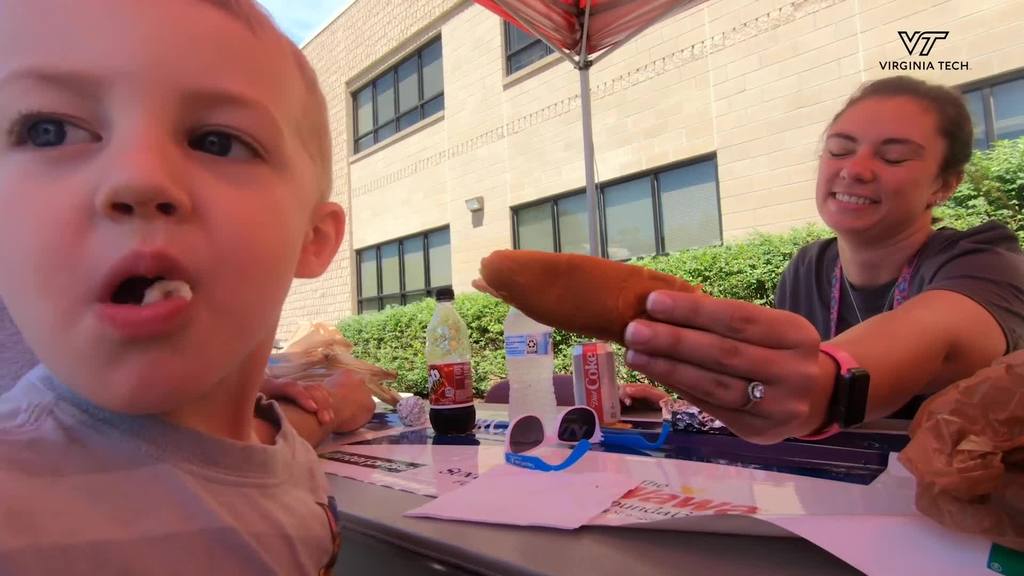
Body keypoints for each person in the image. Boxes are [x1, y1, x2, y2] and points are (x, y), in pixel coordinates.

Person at [0, 0, 355, 572]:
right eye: (50, 131)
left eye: (217, 141)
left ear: (313, 239)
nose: (138, 178)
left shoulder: (293, 463)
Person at [622, 76, 1024, 444]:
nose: (855, 169)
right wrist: (685, 409)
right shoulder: (807, 269)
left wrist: (824, 386)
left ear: (944, 184)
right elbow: (778, 398)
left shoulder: (985, 261)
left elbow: (939, 335)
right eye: (839, 150)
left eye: (894, 158)